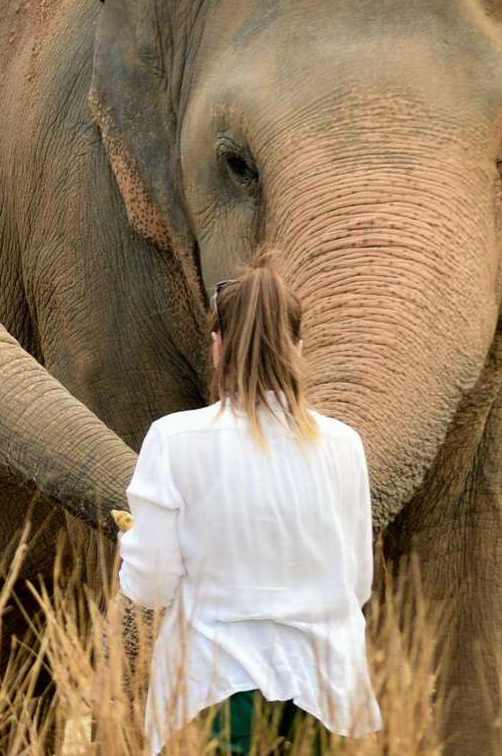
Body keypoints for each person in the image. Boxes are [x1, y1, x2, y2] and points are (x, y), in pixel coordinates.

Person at [117, 251, 381, 754]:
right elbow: (357, 584)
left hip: (210, 692)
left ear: (218, 347)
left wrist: (129, 547)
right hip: (327, 694)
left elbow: (149, 586)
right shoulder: (344, 445)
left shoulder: (174, 440)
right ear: (299, 346)